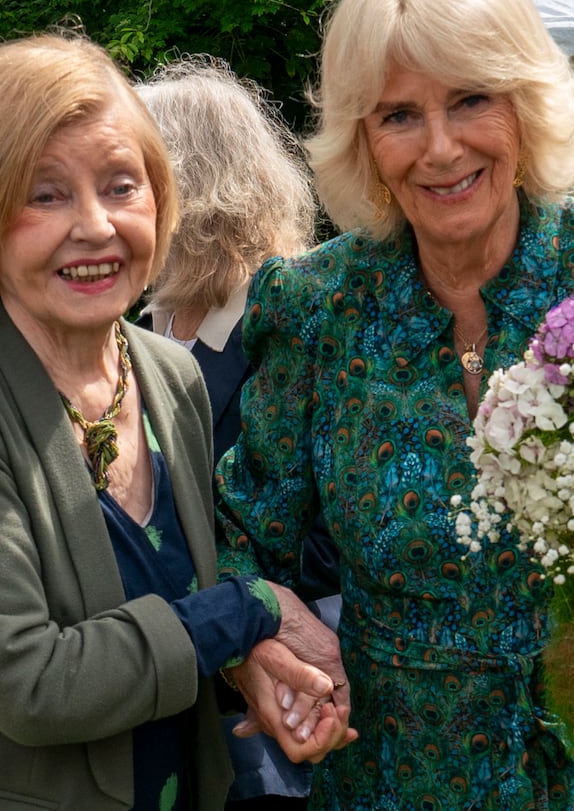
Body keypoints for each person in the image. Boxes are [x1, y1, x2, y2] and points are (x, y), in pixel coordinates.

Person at [214, 0, 574, 808]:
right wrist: (259, 646)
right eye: (398, 115)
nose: (441, 148)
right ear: (363, 138)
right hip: (393, 775)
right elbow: (242, 536)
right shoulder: (316, 306)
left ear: (526, 104)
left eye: (471, 100)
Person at [0, 33, 354, 811]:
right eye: (45, 194)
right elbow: (34, 683)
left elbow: (170, 603)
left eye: (122, 186)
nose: (94, 226)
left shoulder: (169, 374)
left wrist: (251, 666)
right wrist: (250, 608)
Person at [136, 56, 337, 810]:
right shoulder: (145, 320)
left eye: (132, 169)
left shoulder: (287, 323)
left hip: (278, 708)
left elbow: (328, 530)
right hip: (170, 691)